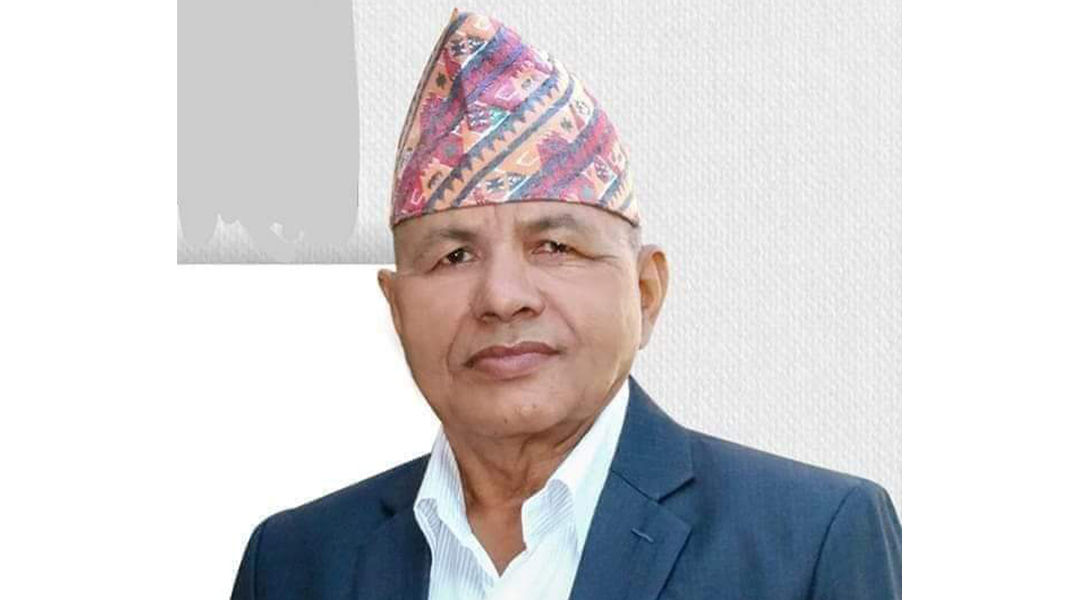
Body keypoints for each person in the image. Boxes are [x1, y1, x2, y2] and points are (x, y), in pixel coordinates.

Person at [231, 8, 901, 600]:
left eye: (554, 246)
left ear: (646, 292)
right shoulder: (293, 563)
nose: (503, 298)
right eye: (453, 256)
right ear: (397, 309)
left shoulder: (810, 540)